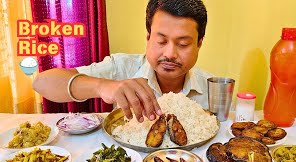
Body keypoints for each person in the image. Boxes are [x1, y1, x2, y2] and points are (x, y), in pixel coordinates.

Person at [33, 0, 212, 122]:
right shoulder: (121, 67)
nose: (170, 53)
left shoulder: (213, 88)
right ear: (148, 38)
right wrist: (103, 86)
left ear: (199, 44)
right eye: (161, 41)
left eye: (183, 44)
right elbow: (42, 82)